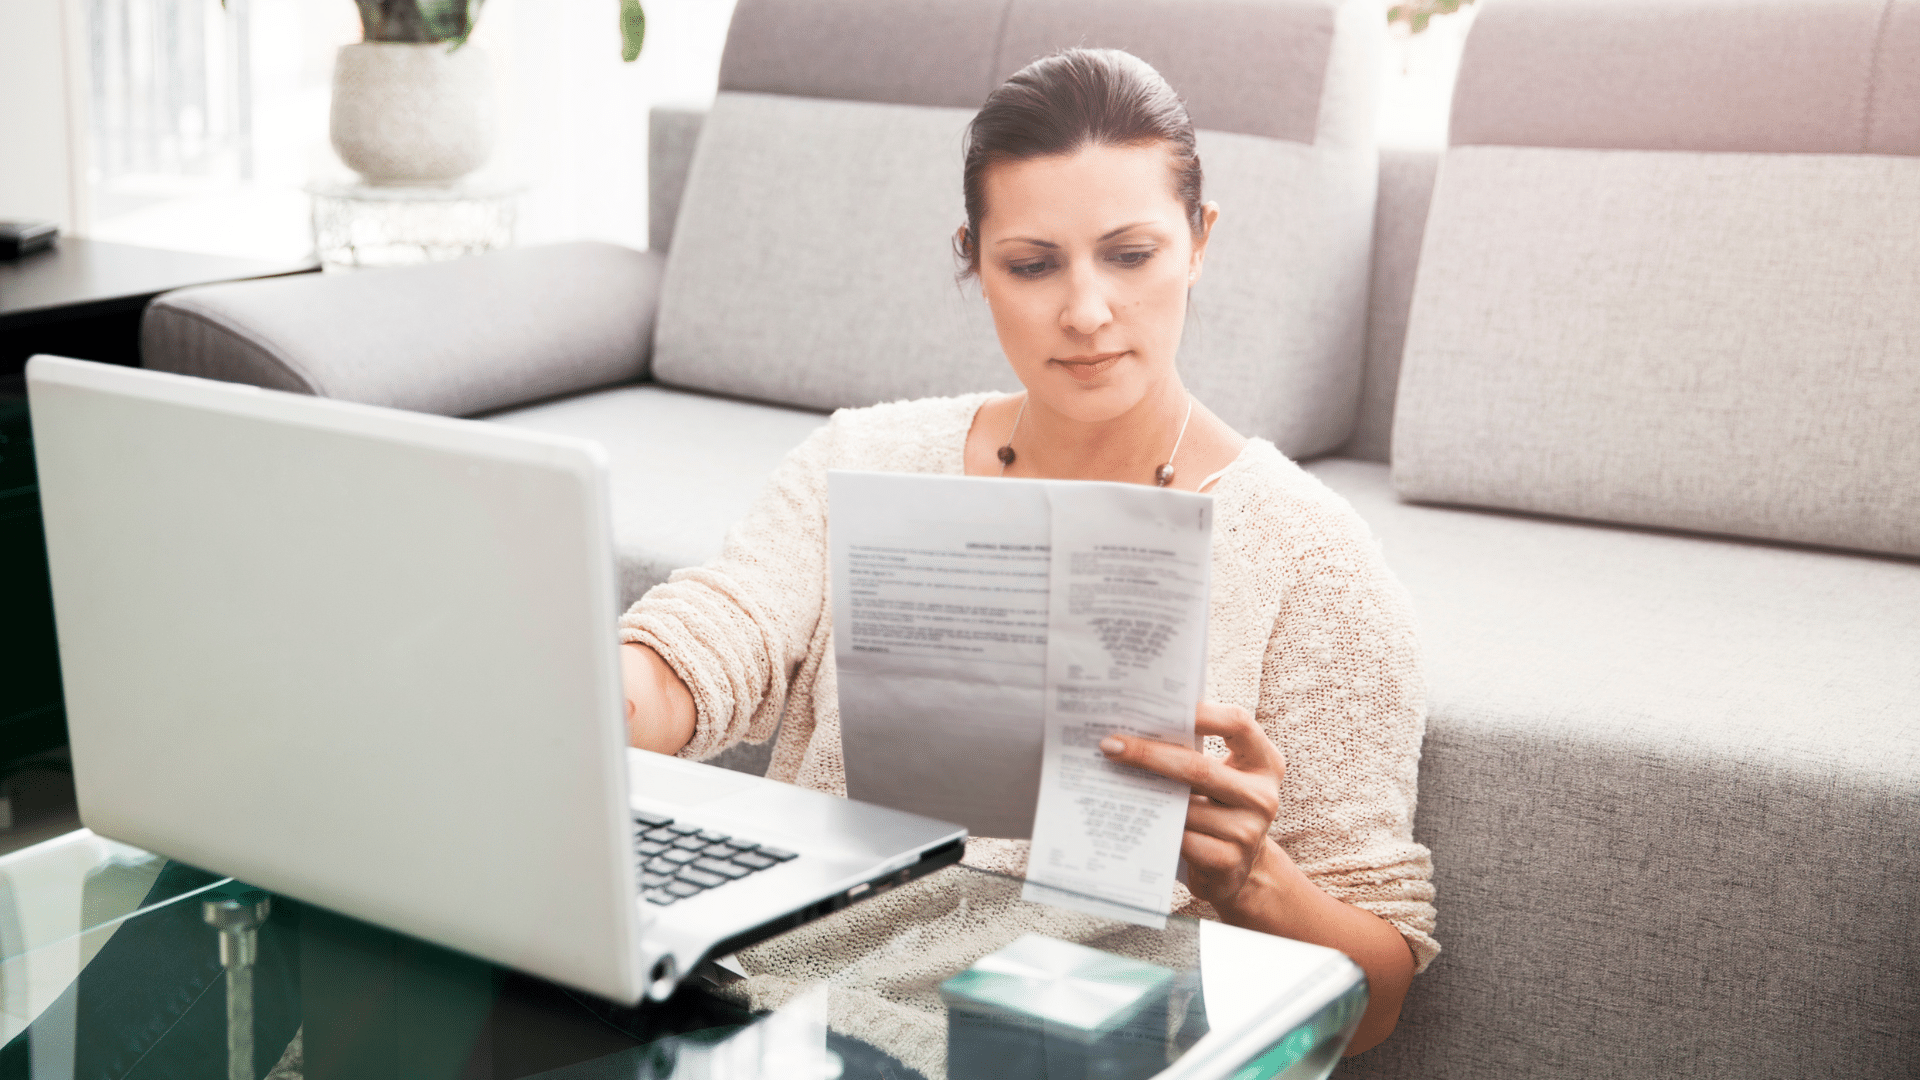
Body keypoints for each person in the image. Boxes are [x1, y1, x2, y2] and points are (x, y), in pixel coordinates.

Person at [618, 48, 1436, 1055]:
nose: (1086, 313)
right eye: (1033, 263)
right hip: (788, 1022)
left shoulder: (1312, 558)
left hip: (1076, 1046)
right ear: (974, 258)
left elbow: (1380, 1000)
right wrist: (604, 694)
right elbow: (715, 638)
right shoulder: (867, 457)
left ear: (1198, 241)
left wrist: (1250, 876)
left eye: (1130, 255)